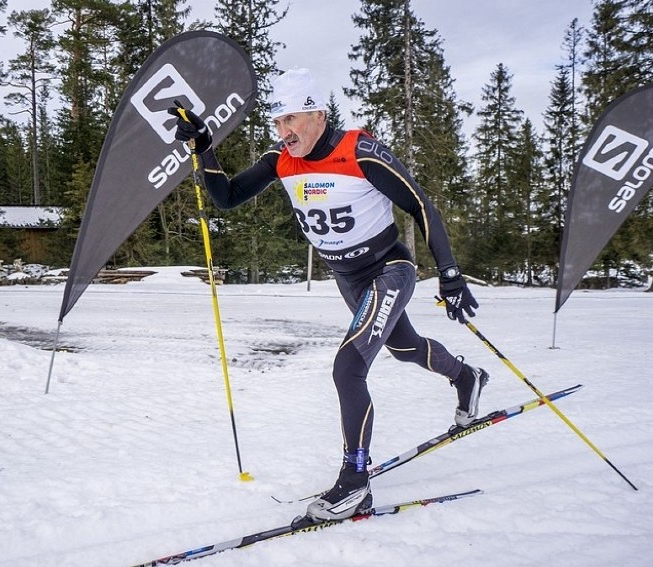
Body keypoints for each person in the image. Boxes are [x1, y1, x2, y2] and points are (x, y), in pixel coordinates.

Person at [168, 68, 487, 522]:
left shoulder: (359, 151)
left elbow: (421, 205)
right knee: (405, 348)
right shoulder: (280, 158)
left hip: (388, 269)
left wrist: (450, 273)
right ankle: (467, 378)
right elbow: (227, 197)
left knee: (348, 367)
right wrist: (204, 147)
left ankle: (355, 482)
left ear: (317, 113)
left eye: (291, 119)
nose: (283, 131)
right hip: (348, 278)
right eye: (277, 122)